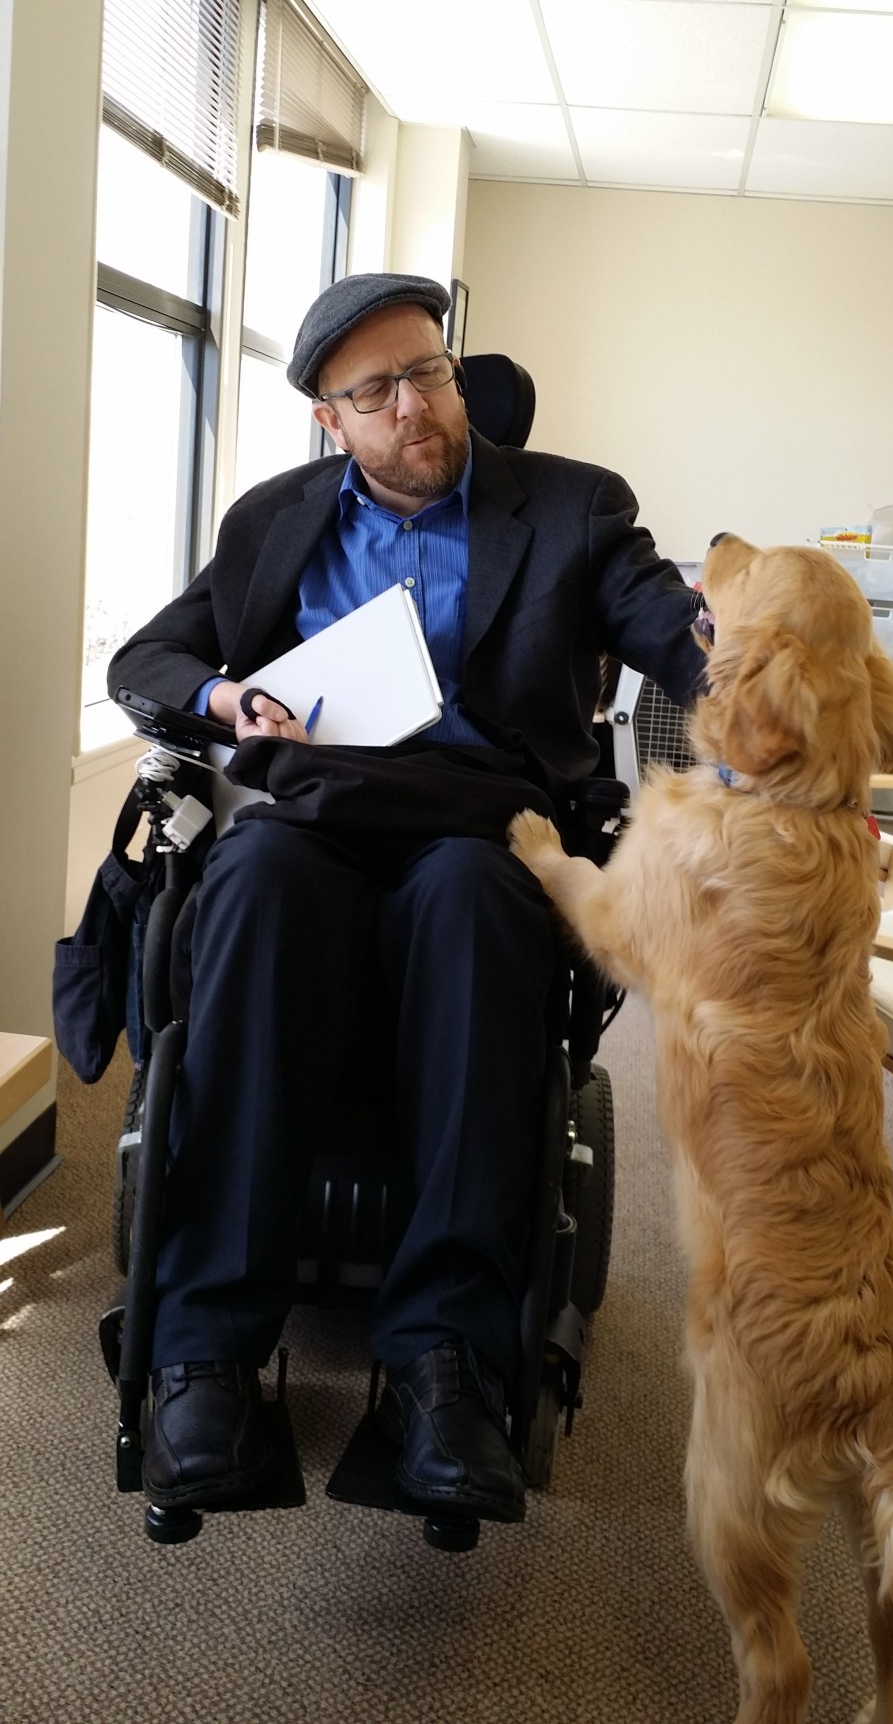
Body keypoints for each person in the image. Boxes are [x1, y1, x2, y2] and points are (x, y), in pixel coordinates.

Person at [109, 271, 705, 1525]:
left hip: (481, 821)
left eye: (427, 372)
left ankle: (445, 1365)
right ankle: (205, 1349)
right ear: (330, 418)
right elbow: (148, 658)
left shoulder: (573, 507)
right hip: (318, 813)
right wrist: (224, 699)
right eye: (374, 391)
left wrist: (749, 652)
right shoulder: (270, 521)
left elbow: (676, 635)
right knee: (253, 881)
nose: (414, 407)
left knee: (478, 906)